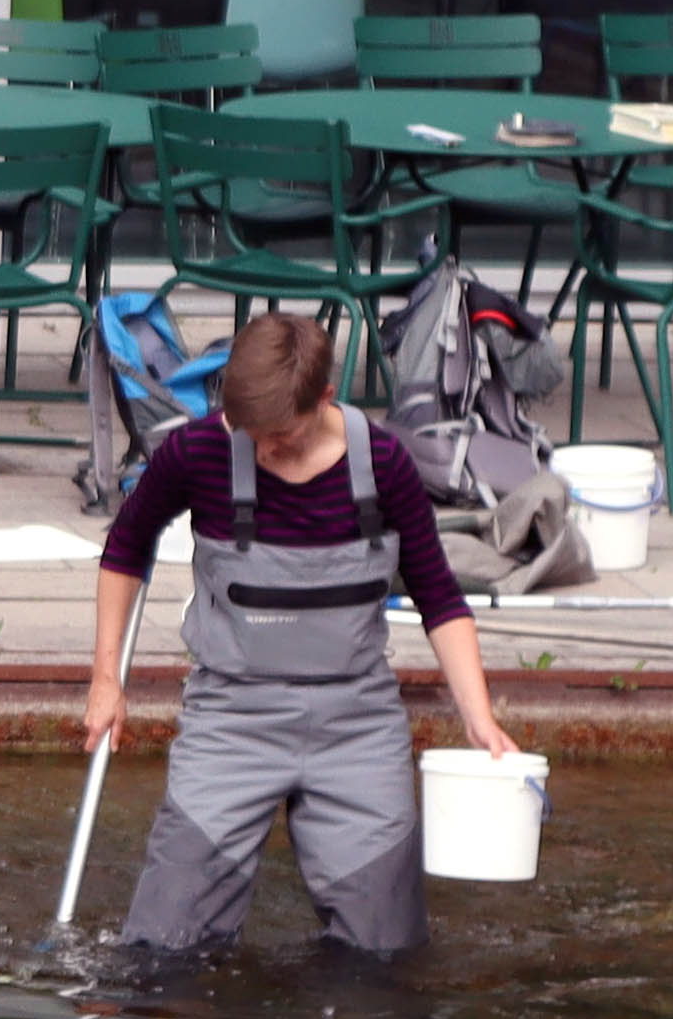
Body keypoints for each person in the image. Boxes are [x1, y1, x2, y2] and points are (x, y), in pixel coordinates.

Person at [80, 310, 522, 959]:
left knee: (382, 955)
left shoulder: (385, 464)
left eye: (277, 436)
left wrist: (478, 717)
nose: (260, 450)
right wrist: (104, 679)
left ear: (322, 399)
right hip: (230, 718)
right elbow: (125, 547)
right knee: (160, 952)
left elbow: (437, 595)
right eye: (245, 432)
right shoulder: (195, 451)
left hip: (354, 723)